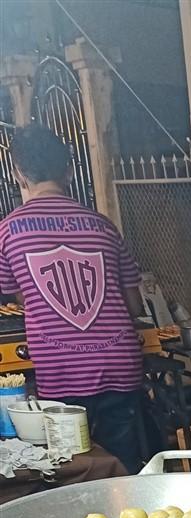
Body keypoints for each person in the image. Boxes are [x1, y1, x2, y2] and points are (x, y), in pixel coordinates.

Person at [0, 124, 145, 473]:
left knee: (71, 466)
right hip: (119, 363)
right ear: (69, 169)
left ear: (19, 173)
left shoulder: (8, 231)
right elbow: (135, 305)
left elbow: (17, 293)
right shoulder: (104, 225)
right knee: (122, 465)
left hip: (60, 371)